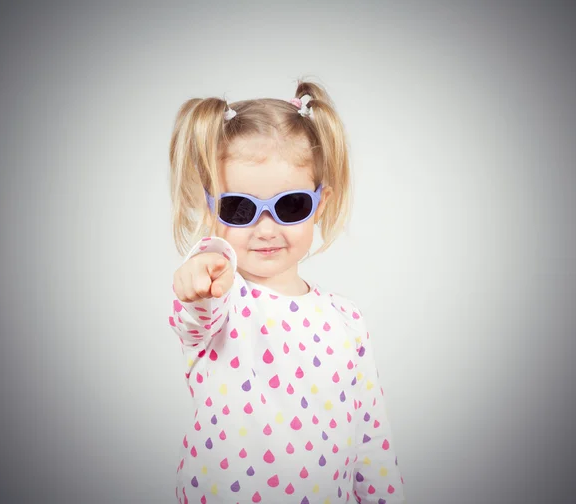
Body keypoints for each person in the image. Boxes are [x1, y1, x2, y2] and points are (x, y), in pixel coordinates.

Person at [167, 80, 406, 503]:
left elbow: (373, 443)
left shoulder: (346, 320)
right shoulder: (222, 301)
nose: (265, 229)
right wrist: (199, 280)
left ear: (321, 203)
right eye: (238, 208)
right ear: (211, 208)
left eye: (290, 205)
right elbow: (196, 312)